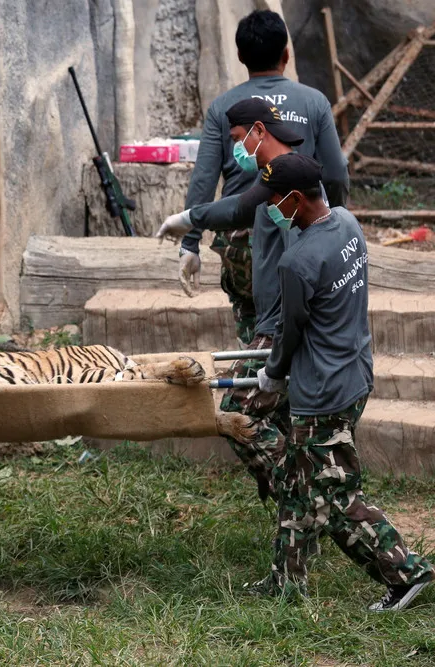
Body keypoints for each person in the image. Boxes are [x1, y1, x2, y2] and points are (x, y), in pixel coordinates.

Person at [250, 153, 433, 611]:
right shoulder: (349, 224)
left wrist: (271, 377)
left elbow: (291, 333)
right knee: (297, 485)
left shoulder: (298, 261)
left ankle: (406, 572)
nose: (269, 207)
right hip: (354, 372)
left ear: (294, 199)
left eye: (274, 200)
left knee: (334, 495)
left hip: (321, 394)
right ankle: (285, 583)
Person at [156, 96, 347, 502]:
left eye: (239, 138)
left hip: (280, 324)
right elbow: (241, 209)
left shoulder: (286, 187)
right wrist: (191, 224)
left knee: (233, 412)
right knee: (277, 416)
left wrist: (190, 221)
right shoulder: (275, 177)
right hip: (274, 320)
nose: (236, 148)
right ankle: (300, 503)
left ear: (260, 132)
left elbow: (249, 215)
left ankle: (302, 493)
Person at [176, 9, 347, 349]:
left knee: (256, 330)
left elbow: (204, 180)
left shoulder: (223, 107)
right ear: (287, 53)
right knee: (310, 321)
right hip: (302, 229)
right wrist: (334, 221)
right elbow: (336, 173)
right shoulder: (314, 102)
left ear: (240, 56)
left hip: (242, 240)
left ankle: (257, 380)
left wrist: (190, 243)